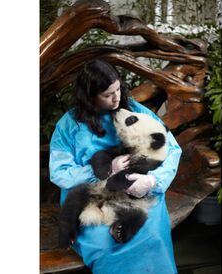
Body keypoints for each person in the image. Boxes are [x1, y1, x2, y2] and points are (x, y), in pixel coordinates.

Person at [49, 59, 182, 274]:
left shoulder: (136, 111)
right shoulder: (68, 125)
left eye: (118, 89)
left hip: (139, 194)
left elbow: (172, 150)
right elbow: (59, 172)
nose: (117, 98)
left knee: (151, 237)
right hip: (92, 197)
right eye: (108, 94)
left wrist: (152, 181)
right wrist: (105, 170)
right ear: (90, 96)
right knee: (104, 244)